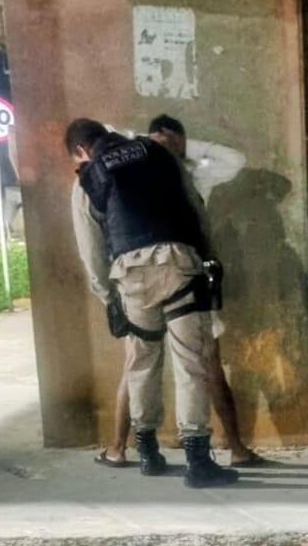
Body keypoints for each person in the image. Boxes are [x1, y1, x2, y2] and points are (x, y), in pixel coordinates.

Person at [66, 118, 238, 488]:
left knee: (142, 363)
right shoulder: (158, 153)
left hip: (130, 276)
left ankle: (148, 453)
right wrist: (207, 257)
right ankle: (197, 461)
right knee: (190, 363)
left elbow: (90, 249)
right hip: (179, 264)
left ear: (81, 150)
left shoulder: (87, 179)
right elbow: (194, 207)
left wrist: (108, 297)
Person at [96, 114, 262, 468]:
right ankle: (134, 448)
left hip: (172, 273)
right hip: (175, 269)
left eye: (168, 139)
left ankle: (225, 448)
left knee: (181, 363)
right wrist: (146, 143)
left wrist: (180, 148)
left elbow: (235, 160)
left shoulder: (192, 172)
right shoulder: (140, 170)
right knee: (160, 363)